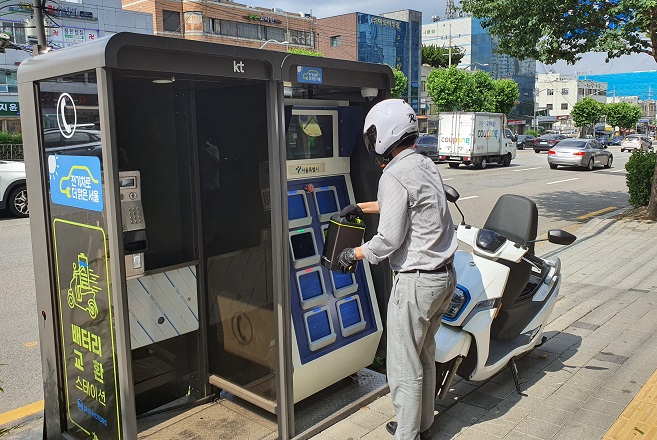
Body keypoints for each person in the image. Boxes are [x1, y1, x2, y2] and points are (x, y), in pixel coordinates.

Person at [337, 99, 457, 440]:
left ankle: (407, 435)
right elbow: (405, 204)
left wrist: (355, 253)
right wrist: (361, 206)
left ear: (383, 135)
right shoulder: (422, 164)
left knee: (404, 366)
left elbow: (388, 239)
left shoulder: (393, 175)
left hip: (417, 283)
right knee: (424, 355)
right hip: (444, 278)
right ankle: (422, 424)